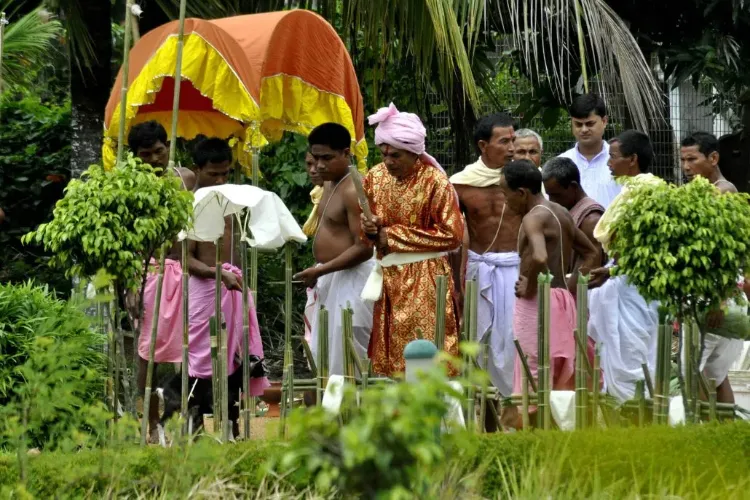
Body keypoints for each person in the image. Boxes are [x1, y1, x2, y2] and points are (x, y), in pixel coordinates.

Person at [360, 103, 464, 376]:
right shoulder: (374, 176)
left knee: (425, 349)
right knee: (389, 354)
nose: (388, 161)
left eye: (396, 155)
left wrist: (391, 236)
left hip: (425, 278)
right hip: (387, 276)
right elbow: (369, 226)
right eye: (384, 153)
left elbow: (453, 236)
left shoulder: (435, 182)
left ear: (415, 153)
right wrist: (369, 228)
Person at [500, 160, 597, 423]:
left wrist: (529, 285)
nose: (504, 200)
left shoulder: (534, 217)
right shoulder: (561, 212)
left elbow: (540, 256)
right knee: (554, 370)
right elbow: (592, 253)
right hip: (562, 299)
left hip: (538, 301)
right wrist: (571, 283)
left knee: (533, 369)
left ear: (521, 193)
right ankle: (556, 427)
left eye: (505, 192)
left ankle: (533, 431)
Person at [186, 137, 269, 437]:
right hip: (204, 292)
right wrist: (218, 274)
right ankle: (194, 429)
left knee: (235, 357)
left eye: (225, 174)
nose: (220, 180)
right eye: (213, 174)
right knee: (201, 357)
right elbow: (186, 260)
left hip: (234, 293)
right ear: (197, 170)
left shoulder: (232, 201)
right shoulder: (190, 205)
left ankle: (231, 428)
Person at [128, 121, 195, 441]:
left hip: (185, 271)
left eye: (159, 151)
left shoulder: (186, 179)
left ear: (168, 147)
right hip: (148, 273)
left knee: (190, 350)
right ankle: (150, 423)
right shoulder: (128, 186)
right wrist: (129, 286)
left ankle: (183, 421)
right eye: (146, 154)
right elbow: (125, 242)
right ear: (134, 156)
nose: (155, 159)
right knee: (147, 352)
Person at [449, 113, 521, 410]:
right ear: (483, 145)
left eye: (513, 140)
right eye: (504, 141)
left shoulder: (526, 179)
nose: (512, 147)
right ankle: (486, 412)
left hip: (518, 270)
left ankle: (518, 406)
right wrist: (457, 283)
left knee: (518, 337)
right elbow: (454, 238)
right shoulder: (461, 184)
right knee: (481, 340)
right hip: (481, 270)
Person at [585, 130, 661, 403]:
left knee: (632, 354)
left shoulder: (645, 191)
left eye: (613, 157)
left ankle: (635, 413)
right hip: (628, 282)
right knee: (624, 353)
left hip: (637, 286)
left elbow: (643, 246)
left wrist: (614, 270)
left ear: (632, 160)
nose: (608, 163)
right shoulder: (632, 189)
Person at [294, 123, 375, 376]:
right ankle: (331, 412)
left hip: (354, 280)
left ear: (346, 153)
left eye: (326, 158)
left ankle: (352, 413)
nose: (319, 165)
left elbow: (364, 248)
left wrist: (321, 271)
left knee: (347, 353)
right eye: (315, 158)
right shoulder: (329, 182)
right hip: (329, 277)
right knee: (324, 353)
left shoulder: (353, 189)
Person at [680, 131, 744, 404]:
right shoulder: (699, 193)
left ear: (713, 158)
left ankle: (703, 433)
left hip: (717, 296)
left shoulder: (723, 193)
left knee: (693, 374)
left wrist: (719, 299)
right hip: (708, 294)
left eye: (692, 159)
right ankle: (722, 434)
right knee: (715, 376)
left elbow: (730, 253)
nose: (685, 167)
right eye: (682, 160)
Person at [542, 157, 605, 274]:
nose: (552, 201)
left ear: (573, 187)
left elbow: (589, 271)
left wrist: (564, 292)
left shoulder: (591, 220)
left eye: (556, 195)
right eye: (549, 195)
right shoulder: (566, 211)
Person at [559, 94, 620, 209]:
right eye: (578, 124)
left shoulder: (621, 162)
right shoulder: (562, 162)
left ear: (604, 121)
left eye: (590, 124)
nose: (584, 130)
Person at [302, 151, 324, 347]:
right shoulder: (320, 193)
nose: (314, 169)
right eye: (309, 164)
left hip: (345, 277)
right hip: (324, 274)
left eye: (319, 162)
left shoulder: (347, 191)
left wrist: (321, 269)